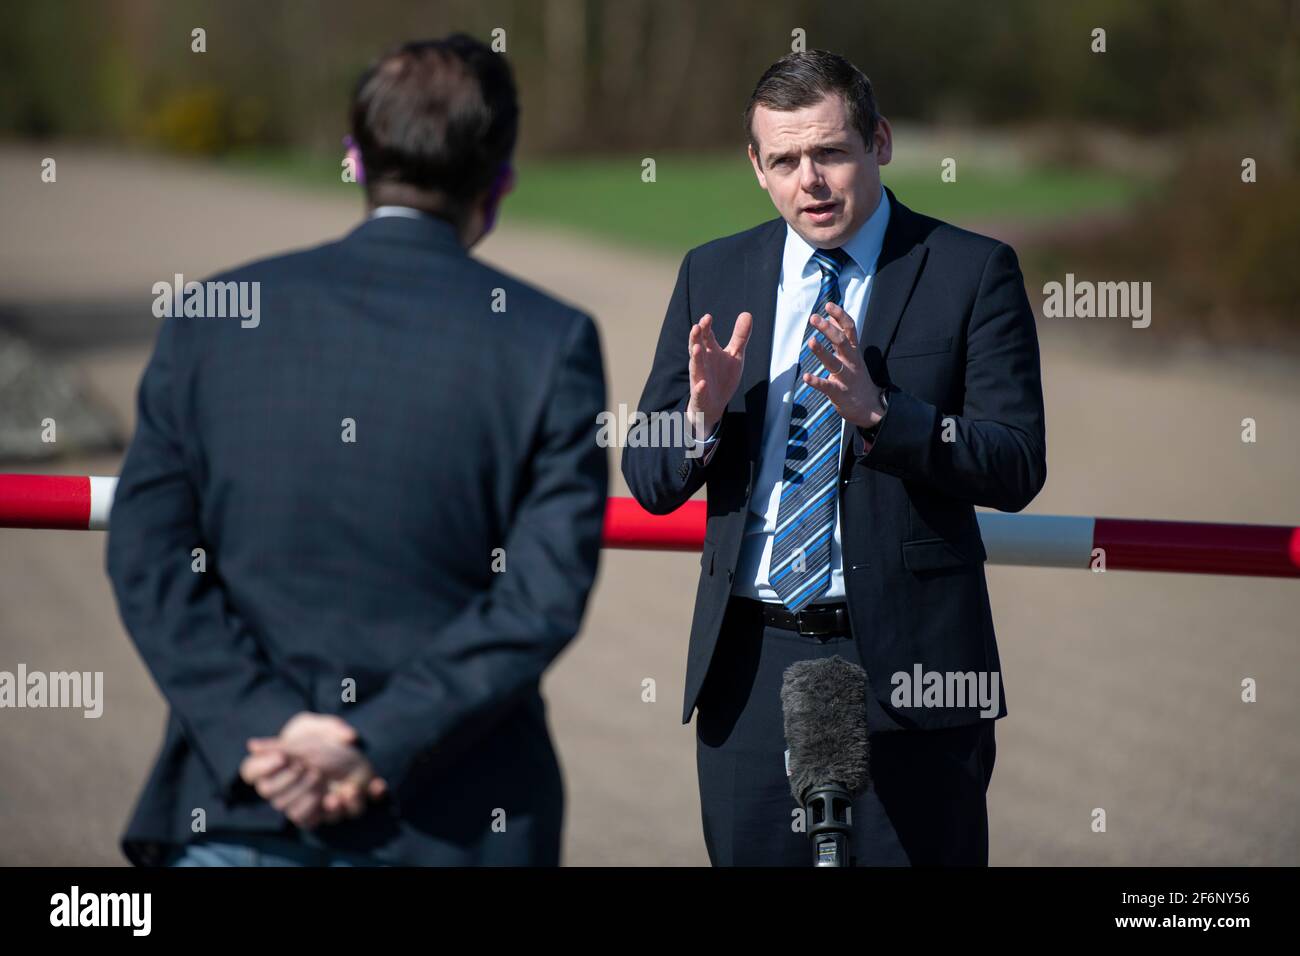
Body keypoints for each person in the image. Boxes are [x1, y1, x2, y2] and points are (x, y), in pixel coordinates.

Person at [106, 35, 608, 866]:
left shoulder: (210, 315)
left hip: (237, 806)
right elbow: (541, 599)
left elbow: (147, 555)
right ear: (502, 179)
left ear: (353, 158)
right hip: (452, 822)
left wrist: (262, 728)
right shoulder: (549, 342)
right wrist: (372, 739)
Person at [622, 49, 1046, 866]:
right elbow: (647, 473)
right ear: (756, 166)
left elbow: (1016, 462)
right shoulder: (712, 271)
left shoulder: (972, 270)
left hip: (915, 674)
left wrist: (885, 416)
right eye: (784, 160)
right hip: (749, 666)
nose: (808, 181)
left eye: (830, 153)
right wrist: (698, 420)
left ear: (879, 142)